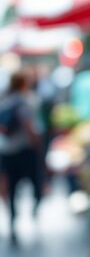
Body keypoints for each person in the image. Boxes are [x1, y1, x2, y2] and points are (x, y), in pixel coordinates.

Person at [0, 72, 43, 245]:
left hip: (6, 150)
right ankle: (33, 208)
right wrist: (38, 146)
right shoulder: (24, 102)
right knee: (35, 182)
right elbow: (29, 127)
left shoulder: (5, 101)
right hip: (24, 150)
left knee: (10, 188)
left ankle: (12, 220)